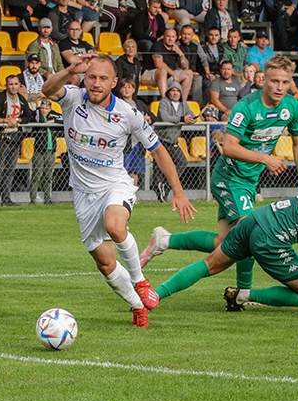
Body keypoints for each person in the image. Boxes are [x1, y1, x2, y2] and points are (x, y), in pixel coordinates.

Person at [141, 56, 298, 308]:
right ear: (263, 80)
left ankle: (165, 240)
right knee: (249, 235)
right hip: (229, 177)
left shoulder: (292, 108)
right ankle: (242, 293)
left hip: (248, 181)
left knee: (225, 242)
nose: (279, 87)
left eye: (285, 82)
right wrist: (265, 158)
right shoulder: (247, 107)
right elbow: (229, 147)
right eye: (274, 81)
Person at [42, 53, 196, 327]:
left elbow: (158, 150)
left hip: (115, 184)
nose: (96, 84)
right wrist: (69, 71)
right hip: (82, 194)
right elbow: (47, 90)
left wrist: (178, 191)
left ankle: (140, 282)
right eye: (91, 77)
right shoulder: (73, 98)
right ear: (84, 79)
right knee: (105, 264)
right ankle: (138, 306)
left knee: (115, 226)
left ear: (114, 82)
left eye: (103, 78)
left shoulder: (128, 114)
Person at [152, 179, 298, 319]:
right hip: (272, 237)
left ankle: (152, 296)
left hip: (257, 218)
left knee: (210, 264)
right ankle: (245, 295)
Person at [0, 74, 34, 206]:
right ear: (6, 86)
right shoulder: (0, 98)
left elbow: (28, 116)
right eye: (11, 84)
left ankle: (6, 198)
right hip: (1, 138)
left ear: (20, 85)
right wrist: (7, 121)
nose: (13, 87)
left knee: (10, 169)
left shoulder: (21, 99)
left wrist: (17, 120)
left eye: (15, 84)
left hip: (15, 138)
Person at [154, 82, 195, 201]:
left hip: (173, 140)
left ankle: (166, 185)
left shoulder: (184, 104)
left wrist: (191, 119)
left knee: (182, 162)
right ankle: (160, 193)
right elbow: (165, 117)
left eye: (178, 91)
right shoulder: (164, 102)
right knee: (160, 167)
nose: (175, 93)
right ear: (168, 92)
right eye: (173, 90)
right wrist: (182, 119)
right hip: (161, 139)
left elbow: (191, 115)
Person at [145, 27, 194, 100]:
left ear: (176, 38)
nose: (170, 39)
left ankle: (182, 103)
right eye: (168, 36)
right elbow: (159, 64)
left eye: (173, 37)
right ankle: (166, 102)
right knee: (163, 71)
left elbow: (185, 67)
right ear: (163, 37)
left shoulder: (176, 48)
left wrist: (180, 53)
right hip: (150, 74)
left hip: (168, 76)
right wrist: (173, 74)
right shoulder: (157, 45)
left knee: (189, 73)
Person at [30, 99, 62, 204]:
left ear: (50, 109)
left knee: (48, 177)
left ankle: (48, 198)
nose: (44, 110)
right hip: (39, 150)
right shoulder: (37, 115)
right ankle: (33, 199)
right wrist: (38, 109)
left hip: (50, 150)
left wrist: (52, 121)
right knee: (36, 176)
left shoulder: (53, 116)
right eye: (42, 108)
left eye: (46, 108)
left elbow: (63, 118)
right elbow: (37, 120)